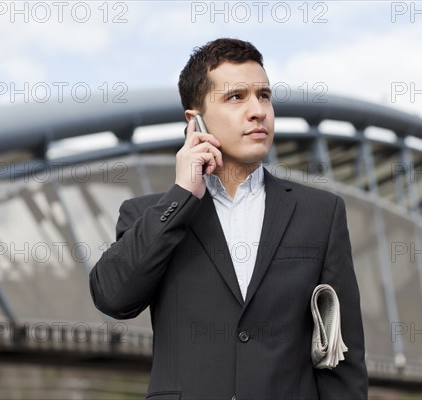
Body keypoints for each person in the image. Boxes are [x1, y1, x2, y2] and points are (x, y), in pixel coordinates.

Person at [89, 38, 368, 400]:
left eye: (264, 96)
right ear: (195, 121)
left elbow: (343, 359)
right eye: (236, 97)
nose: (258, 111)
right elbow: (113, 298)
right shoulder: (149, 214)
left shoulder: (321, 213)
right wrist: (181, 195)